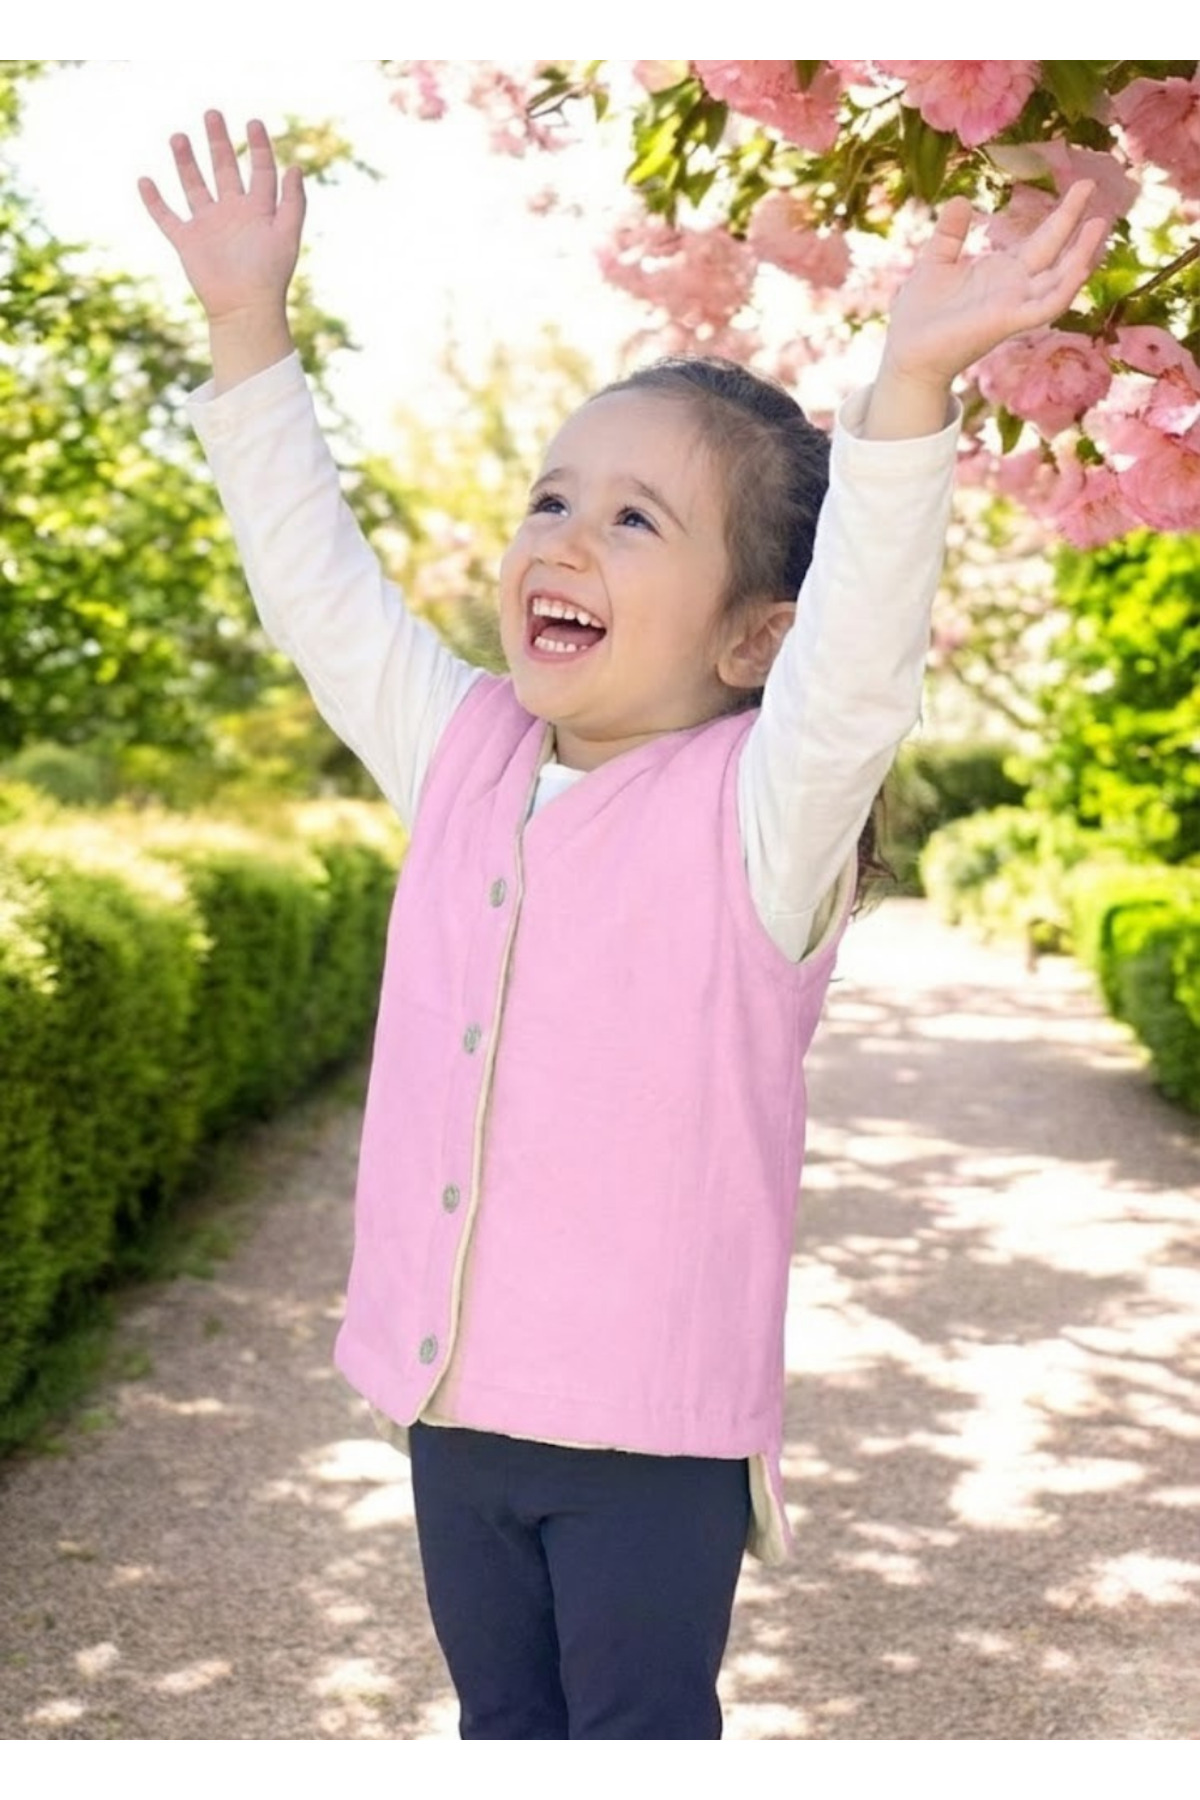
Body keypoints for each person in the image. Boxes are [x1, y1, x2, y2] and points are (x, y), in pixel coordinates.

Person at [140, 111, 1105, 1741]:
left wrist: (913, 393)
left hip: (647, 1440)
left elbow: (863, 656)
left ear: (751, 639)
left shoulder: (763, 810)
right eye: (552, 500)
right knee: (505, 1734)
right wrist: (248, 333)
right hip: (451, 1414)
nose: (563, 539)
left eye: (637, 521)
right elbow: (318, 589)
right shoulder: (465, 755)